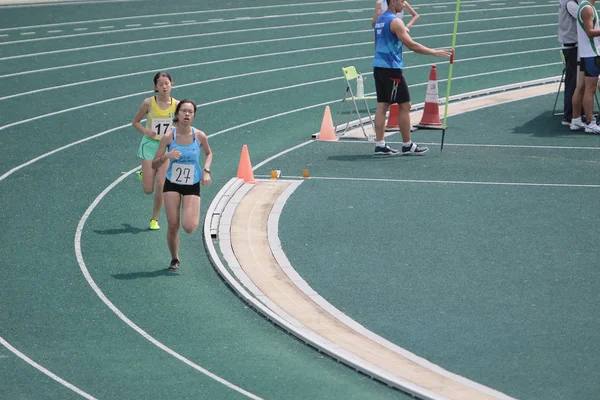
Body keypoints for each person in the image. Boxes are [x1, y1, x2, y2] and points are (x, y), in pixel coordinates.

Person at [372, 0, 451, 155]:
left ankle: (380, 143)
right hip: (391, 69)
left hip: (379, 66)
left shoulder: (380, 19)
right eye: (401, 1)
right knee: (405, 105)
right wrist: (434, 52)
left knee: (382, 105)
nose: (403, 3)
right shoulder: (395, 22)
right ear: (393, 1)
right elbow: (412, 45)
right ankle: (407, 144)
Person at [151, 100, 212, 271]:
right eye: (183, 111)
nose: (186, 114)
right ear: (177, 114)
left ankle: (190, 217)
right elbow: (154, 164)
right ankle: (174, 258)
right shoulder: (169, 137)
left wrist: (207, 170)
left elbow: (209, 153)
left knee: (189, 227)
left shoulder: (199, 136)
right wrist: (166, 156)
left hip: (192, 183)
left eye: (190, 112)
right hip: (172, 183)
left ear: (193, 116)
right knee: (172, 224)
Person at [132, 72, 179, 230]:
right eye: (160, 84)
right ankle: (144, 174)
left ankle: (154, 219)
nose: (164, 86)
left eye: (166, 83)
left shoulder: (177, 105)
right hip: (150, 145)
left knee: (161, 184)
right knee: (148, 189)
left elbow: (181, 126)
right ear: (155, 87)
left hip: (164, 148)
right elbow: (136, 122)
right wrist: (146, 132)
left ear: (172, 83)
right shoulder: (148, 103)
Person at [569, 0, 600, 134]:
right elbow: (590, 32)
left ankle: (576, 120)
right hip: (591, 54)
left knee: (581, 87)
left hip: (586, 54)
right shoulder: (587, 9)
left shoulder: (585, 6)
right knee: (590, 89)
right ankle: (590, 123)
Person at [558, 0, 580, 125]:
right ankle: (571, 115)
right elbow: (585, 17)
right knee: (574, 82)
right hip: (572, 47)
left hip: (569, 46)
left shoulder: (565, 2)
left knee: (572, 81)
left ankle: (573, 113)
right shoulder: (570, 4)